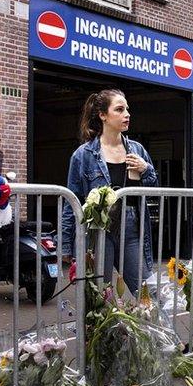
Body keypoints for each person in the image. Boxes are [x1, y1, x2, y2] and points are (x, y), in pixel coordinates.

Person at [61, 89, 157, 294]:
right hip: (98, 230)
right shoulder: (83, 154)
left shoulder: (137, 150)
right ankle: (101, 327)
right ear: (103, 115)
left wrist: (146, 169)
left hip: (131, 227)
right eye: (120, 109)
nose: (127, 114)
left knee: (147, 292)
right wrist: (66, 245)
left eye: (127, 109)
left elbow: (154, 190)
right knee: (98, 294)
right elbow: (73, 201)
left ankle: (160, 327)